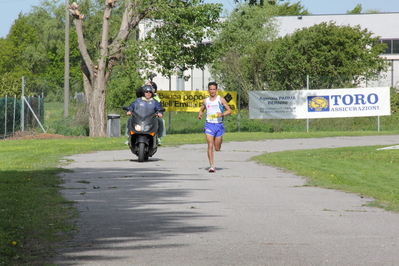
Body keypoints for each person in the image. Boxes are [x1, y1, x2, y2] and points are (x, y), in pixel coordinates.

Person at [198, 81, 232, 173]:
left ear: (216, 90)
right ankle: (212, 166)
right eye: (210, 89)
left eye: (214, 89)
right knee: (210, 145)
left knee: (217, 148)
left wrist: (222, 114)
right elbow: (201, 109)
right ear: (208, 90)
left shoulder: (221, 100)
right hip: (209, 124)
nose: (212, 91)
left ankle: (220, 140)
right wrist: (200, 114)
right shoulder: (206, 101)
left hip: (219, 125)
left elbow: (230, 111)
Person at [147, 81, 166, 145]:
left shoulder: (156, 99)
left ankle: (159, 138)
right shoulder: (141, 97)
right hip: (141, 116)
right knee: (130, 120)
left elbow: (159, 107)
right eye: (148, 86)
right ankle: (129, 137)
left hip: (152, 117)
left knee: (161, 121)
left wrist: (160, 113)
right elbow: (135, 105)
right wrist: (130, 110)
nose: (150, 88)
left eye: (152, 87)